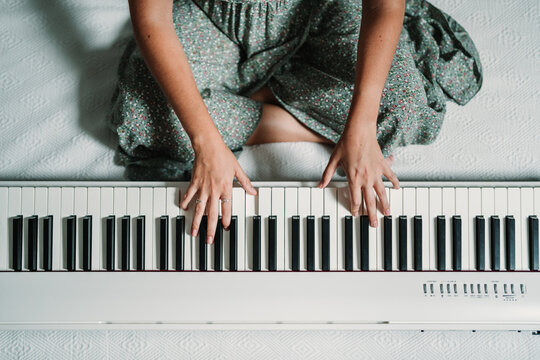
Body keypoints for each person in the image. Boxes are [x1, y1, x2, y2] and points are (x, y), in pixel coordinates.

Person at [107, 0, 483, 245]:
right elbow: (152, 16)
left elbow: (384, 7)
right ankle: (290, 106)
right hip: (215, 18)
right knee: (143, 119)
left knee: (401, 108)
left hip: (323, 10)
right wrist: (205, 141)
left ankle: (265, 97)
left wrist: (363, 124)